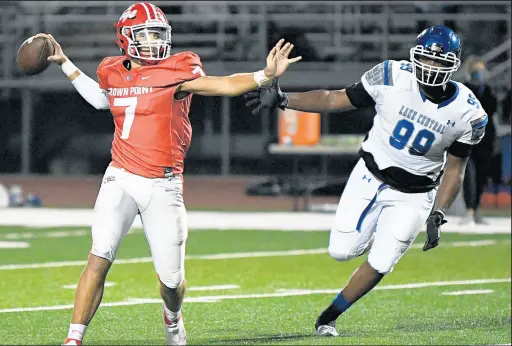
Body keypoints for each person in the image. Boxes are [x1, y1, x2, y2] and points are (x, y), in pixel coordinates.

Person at [34, 2, 301, 345]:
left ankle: (172, 316)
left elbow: (222, 85)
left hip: (163, 184)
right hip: (121, 177)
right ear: (126, 38)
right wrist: (66, 63)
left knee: (172, 284)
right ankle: (73, 339)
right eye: (145, 36)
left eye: (158, 35)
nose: (153, 43)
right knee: (99, 256)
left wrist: (263, 76)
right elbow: (104, 100)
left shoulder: (177, 69)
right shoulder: (111, 69)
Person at [244, 25, 488, 336]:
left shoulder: (469, 113)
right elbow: (334, 99)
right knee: (341, 251)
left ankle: (329, 316)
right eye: (426, 60)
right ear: (414, 57)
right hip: (369, 175)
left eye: (439, 63)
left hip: (415, 194)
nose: (430, 68)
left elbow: (456, 168)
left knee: (383, 259)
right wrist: (283, 99)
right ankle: (381, 231)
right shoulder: (391, 75)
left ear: (453, 66)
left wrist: (439, 212)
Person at [460, 56, 497, 225]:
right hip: (468, 136)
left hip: (486, 138)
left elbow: (492, 110)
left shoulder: (488, 90)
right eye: (477, 72)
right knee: (469, 174)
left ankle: (475, 210)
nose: (480, 75)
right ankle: (468, 210)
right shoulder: (464, 90)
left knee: (482, 175)